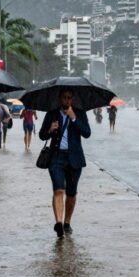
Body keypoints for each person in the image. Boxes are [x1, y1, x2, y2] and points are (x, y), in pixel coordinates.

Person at [39, 89, 91, 238]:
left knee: (71, 193)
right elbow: (42, 135)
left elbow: (87, 133)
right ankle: (59, 223)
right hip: (56, 157)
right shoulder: (52, 114)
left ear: (72, 99)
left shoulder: (80, 114)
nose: (66, 101)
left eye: (69, 98)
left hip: (75, 158)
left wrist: (74, 118)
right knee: (58, 190)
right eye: (64, 98)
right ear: (59, 99)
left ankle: (67, 222)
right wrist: (50, 129)